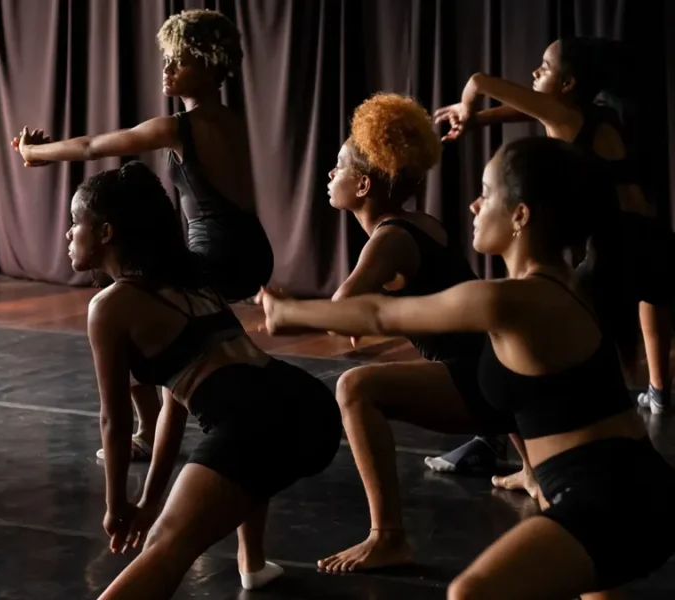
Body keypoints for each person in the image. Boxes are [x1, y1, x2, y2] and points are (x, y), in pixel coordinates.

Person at [259, 136, 675, 598]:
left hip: (610, 499)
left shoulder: (511, 300)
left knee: (469, 592)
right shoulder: (566, 286)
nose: (474, 205)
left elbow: (379, 313)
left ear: (520, 216)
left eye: (487, 193)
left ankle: (388, 536)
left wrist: (288, 312)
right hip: (626, 489)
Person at [68, 160, 339, 599]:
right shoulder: (190, 275)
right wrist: (149, 501)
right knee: (243, 462)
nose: (68, 234)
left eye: (75, 222)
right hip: (309, 405)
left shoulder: (110, 306)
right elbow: (172, 410)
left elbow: (114, 422)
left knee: (165, 546)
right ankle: (252, 564)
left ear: (105, 233)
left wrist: (116, 506)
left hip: (259, 421)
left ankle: (251, 562)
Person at [14, 8, 274, 463]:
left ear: (210, 65)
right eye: (167, 59)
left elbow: (93, 147)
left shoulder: (179, 128)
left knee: (123, 308)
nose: (167, 69)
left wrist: (35, 152)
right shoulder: (230, 119)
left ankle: (148, 432)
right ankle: (156, 426)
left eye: (180, 61)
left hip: (216, 259)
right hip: (252, 252)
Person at [431, 37, 674, 490]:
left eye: (543, 68)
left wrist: (467, 105)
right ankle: (659, 394)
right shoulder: (598, 114)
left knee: (562, 346)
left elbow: (479, 81)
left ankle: (517, 449)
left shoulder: (564, 118)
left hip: (614, 248)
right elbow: (529, 109)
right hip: (655, 238)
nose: (534, 73)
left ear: (567, 83)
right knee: (649, 309)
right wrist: (480, 120)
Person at [301, 92, 517, 573]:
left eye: (338, 167)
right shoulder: (420, 223)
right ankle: (534, 474)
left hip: (484, 386)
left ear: (362, 185)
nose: (330, 174)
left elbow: (340, 310)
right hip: (501, 374)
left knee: (354, 388)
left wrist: (302, 311)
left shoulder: (390, 239)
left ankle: (388, 537)